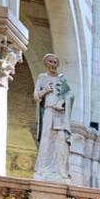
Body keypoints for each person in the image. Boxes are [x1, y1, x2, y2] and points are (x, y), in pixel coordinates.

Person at [33, 53, 73, 181]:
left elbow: (70, 95)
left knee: (61, 140)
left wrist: (63, 102)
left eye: (55, 62)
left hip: (60, 114)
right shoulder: (42, 78)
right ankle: (43, 168)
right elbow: (36, 96)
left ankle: (60, 169)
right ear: (46, 64)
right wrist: (45, 91)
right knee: (47, 138)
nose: (53, 64)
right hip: (49, 111)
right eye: (51, 61)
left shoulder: (62, 79)